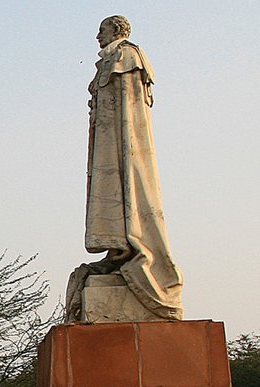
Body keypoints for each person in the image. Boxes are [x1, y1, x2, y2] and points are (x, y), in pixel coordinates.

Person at [66, 15, 183, 322]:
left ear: (116, 31)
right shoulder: (107, 60)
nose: (97, 36)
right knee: (109, 193)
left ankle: (133, 248)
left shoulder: (127, 55)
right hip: (107, 144)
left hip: (123, 142)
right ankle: (118, 250)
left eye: (102, 30)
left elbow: (130, 110)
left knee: (129, 189)